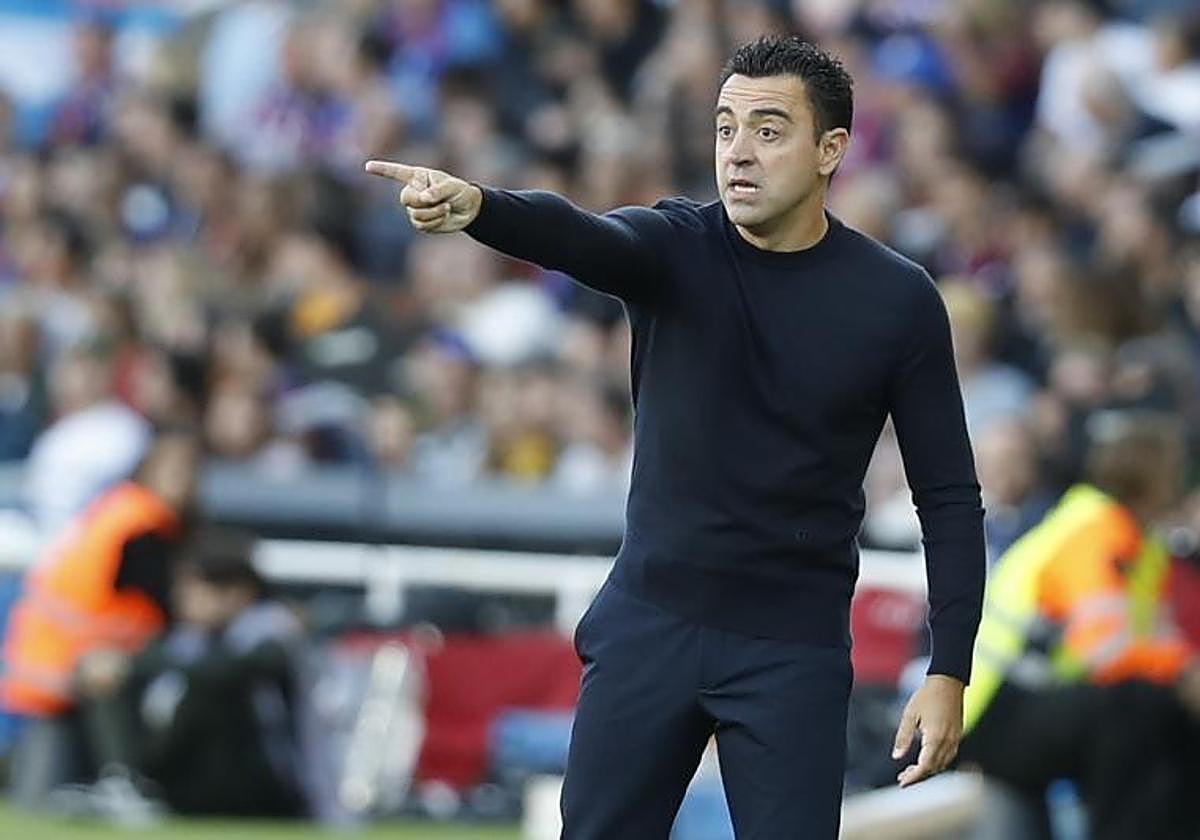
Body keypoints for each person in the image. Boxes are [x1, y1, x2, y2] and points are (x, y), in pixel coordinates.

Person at [368, 34, 985, 838]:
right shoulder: (675, 246)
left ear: (831, 149)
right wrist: (483, 208)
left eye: (768, 130)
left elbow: (948, 497)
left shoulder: (896, 300)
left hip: (790, 648)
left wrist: (948, 668)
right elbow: (581, 235)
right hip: (649, 626)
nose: (739, 151)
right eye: (726, 128)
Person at [959, 410, 1200, 840]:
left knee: (1173, 716)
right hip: (993, 713)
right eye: (1176, 467)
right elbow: (1104, 648)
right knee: (1135, 707)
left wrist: (1183, 676)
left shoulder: (1142, 543)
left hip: (1044, 701)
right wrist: (1183, 673)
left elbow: (1153, 638)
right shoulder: (1091, 528)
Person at [1, 427, 199, 809]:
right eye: (176, 470)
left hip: (56, 664)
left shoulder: (117, 510)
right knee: (40, 796)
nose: (186, 482)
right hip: (73, 665)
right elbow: (168, 609)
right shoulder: (141, 524)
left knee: (41, 789)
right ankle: (122, 781)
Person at [67, 530, 309, 820]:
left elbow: (223, 670)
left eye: (194, 586)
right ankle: (124, 786)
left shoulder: (272, 631)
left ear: (237, 592)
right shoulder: (187, 637)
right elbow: (152, 662)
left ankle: (145, 792)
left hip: (262, 781)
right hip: (188, 774)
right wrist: (111, 664)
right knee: (105, 673)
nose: (181, 596)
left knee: (206, 688)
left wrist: (129, 666)